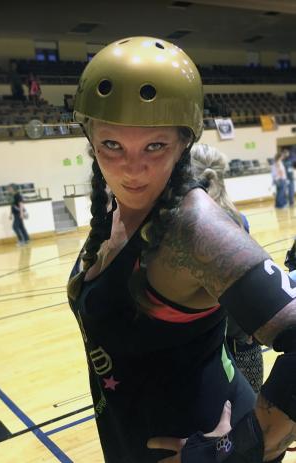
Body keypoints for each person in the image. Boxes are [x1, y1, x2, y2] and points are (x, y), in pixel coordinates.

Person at [67, 36, 296, 463]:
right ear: (90, 140)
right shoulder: (119, 210)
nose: (132, 170)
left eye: (155, 146)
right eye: (112, 146)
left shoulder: (194, 228)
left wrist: (235, 448)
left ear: (183, 142)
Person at [190, 143, 263, 394]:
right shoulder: (238, 219)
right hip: (241, 335)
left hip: (214, 342)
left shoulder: (189, 226)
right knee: (245, 418)